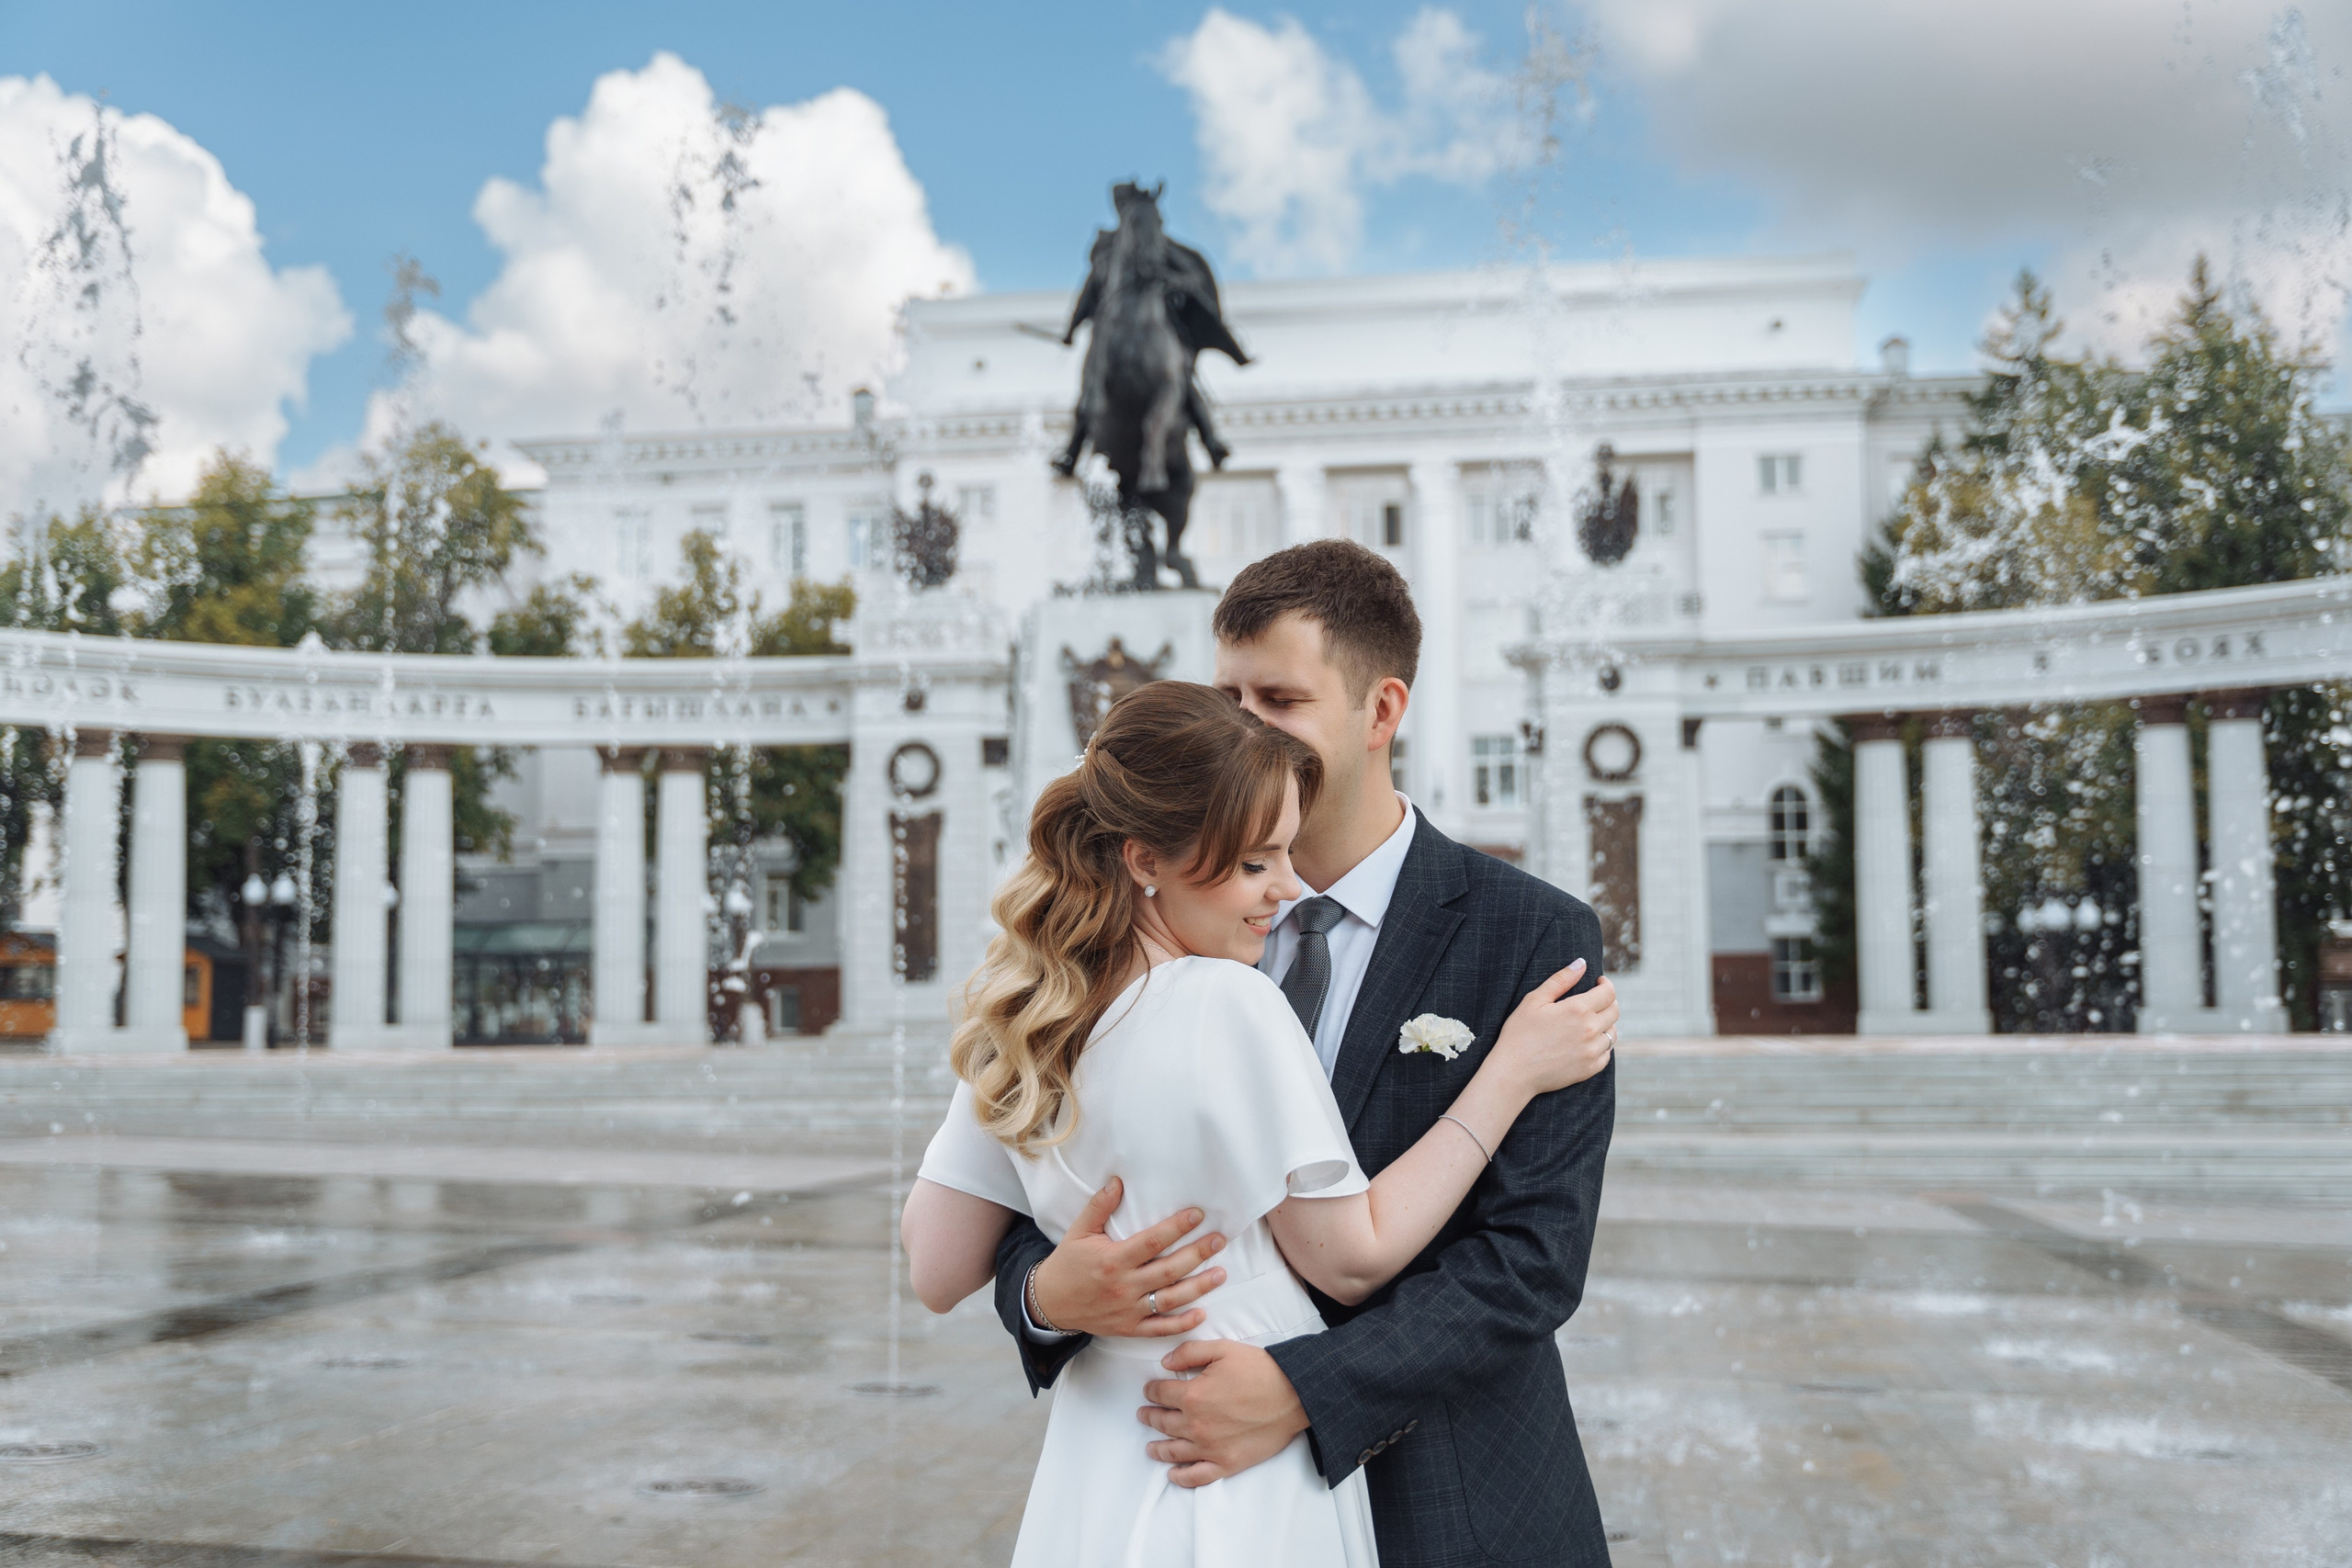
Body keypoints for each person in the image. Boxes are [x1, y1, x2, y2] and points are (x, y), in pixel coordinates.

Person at [982, 539, 1621, 1566]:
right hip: (1191, 1487)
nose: (1240, 727)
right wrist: (1045, 1297)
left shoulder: (1532, 937)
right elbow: (1025, 1183)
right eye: (1225, 693)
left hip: (1453, 1494)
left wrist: (1301, 1392)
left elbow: (1530, 1260)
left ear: (1380, 714)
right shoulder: (1133, 927)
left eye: (1277, 699)